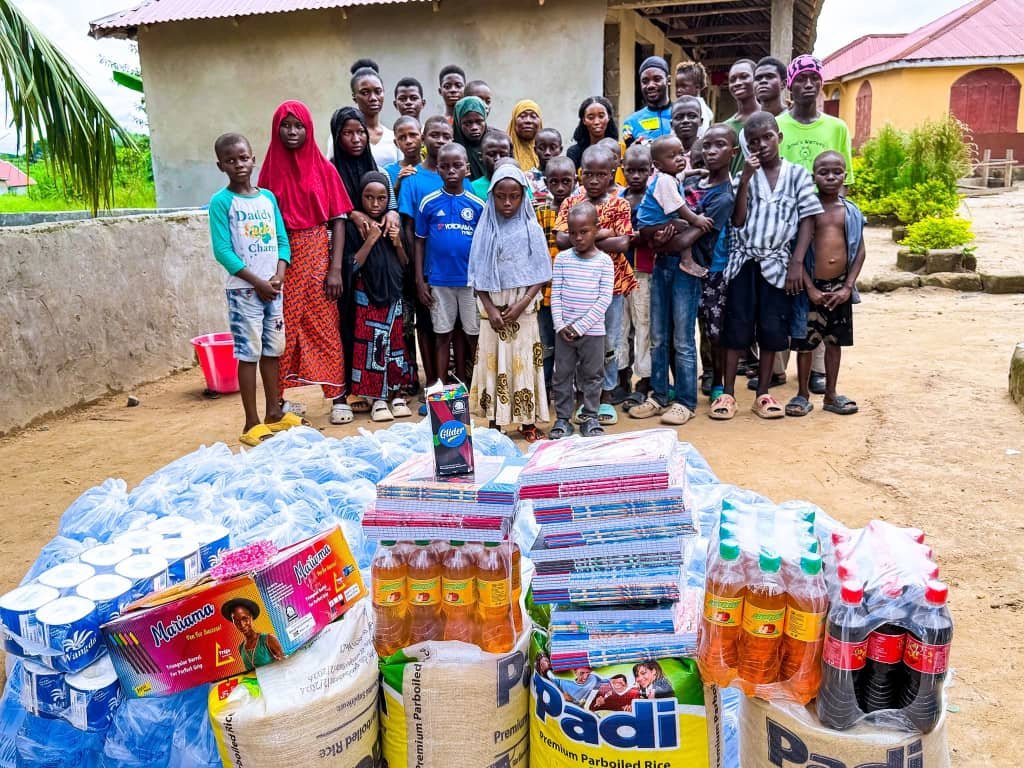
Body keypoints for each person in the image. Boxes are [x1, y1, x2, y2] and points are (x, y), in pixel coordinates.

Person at [711, 112, 822, 421]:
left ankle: (762, 394)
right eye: (753, 141)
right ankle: (728, 394)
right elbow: (738, 220)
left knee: (772, 329)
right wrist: (745, 179)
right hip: (744, 262)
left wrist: (796, 264)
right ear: (747, 146)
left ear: (779, 137)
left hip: (778, 263)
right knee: (737, 327)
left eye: (767, 137)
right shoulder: (742, 176)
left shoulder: (798, 175)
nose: (761, 145)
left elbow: (808, 220)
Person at [258, 101, 353, 425]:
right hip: (280, 262)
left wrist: (335, 268)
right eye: (286, 126)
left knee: (325, 326)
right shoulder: (268, 172)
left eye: (299, 126)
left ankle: (337, 395)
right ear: (277, 129)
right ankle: (279, 400)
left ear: (309, 129)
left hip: (316, 255)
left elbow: (338, 219)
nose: (292, 132)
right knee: (281, 328)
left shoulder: (324, 169)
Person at [208, 133, 296, 446]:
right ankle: (251, 422)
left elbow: (282, 240)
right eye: (230, 160)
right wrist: (257, 282)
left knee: (273, 349)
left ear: (253, 158)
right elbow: (222, 250)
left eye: (243, 158)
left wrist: (278, 275)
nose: (239, 164)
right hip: (244, 291)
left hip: (273, 288)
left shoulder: (267, 198)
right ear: (221, 165)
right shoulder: (222, 202)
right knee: (249, 353)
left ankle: (274, 412)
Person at [776, 54, 855, 396]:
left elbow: (846, 179)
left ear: (821, 84)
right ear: (789, 86)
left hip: (824, 223)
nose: (808, 85)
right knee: (789, 293)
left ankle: (818, 371)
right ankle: (779, 367)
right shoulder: (778, 124)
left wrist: (841, 223)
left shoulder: (836, 128)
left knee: (823, 288)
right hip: (788, 223)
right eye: (801, 79)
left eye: (814, 79)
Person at [554, 146, 636, 426]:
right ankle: (581, 398)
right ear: (580, 173)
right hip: (576, 285)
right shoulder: (571, 202)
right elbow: (562, 240)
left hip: (610, 285)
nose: (594, 180)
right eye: (588, 174)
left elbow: (624, 243)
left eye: (602, 174)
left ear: (612, 173)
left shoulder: (620, 203)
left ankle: (605, 396)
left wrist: (587, 238)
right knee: (574, 343)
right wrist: (604, 233)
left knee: (608, 342)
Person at [468, 164, 552, 441]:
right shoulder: (485, 228)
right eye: (501, 196)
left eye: (514, 196)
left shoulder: (531, 228)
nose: (507, 203)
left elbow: (541, 273)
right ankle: (495, 420)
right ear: (491, 195)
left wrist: (522, 303)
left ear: (522, 196)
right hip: (492, 312)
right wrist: (491, 309)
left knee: (523, 363)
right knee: (495, 363)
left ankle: (527, 422)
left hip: (523, 309)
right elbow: (476, 275)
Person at [329, 107, 402, 414]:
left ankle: (391, 387)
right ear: (336, 135)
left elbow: (392, 205)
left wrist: (392, 215)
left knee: (390, 328)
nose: (356, 139)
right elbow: (332, 213)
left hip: (384, 264)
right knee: (349, 325)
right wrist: (352, 213)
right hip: (346, 259)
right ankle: (349, 389)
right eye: (348, 133)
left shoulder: (376, 170)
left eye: (361, 132)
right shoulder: (331, 171)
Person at [787, 151, 865, 417]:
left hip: (839, 289)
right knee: (805, 343)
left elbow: (860, 251)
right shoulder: (808, 210)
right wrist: (809, 288)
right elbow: (796, 250)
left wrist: (847, 287)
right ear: (814, 176)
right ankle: (802, 395)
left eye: (837, 172)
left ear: (845, 174)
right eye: (824, 172)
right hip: (812, 289)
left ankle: (831, 394)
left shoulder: (851, 211)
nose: (831, 177)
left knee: (834, 342)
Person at [344, 171, 413, 421]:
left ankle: (395, 394)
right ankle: (377, 398)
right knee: (372, 346)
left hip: (393, 296)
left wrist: (397, 243)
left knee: (395, 345)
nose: (375, 204)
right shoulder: (356, 227)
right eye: (369, 198)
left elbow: (405, 264)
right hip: (367, 297)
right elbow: (350, 266)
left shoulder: (392, 224)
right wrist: (371, 240)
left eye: (381, 198)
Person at [415, 143, 484, 385]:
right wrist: (420, 280)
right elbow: (420, 243)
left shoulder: (477, 205)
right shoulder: (429, 203)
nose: (451, 171)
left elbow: (483, 248)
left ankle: (474, 384)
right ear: (438, 170)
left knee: (472, 335)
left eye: (457, 166)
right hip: (439, 282)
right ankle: (441, 386)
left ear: (467, 168)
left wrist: (481, 281)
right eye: (445, 166)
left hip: (469, 282)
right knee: (442, 334)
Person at [549, 202, 614, 440]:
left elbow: (604, 299)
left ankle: (590, 417)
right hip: (564, 332)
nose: (578, 237)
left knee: (592, 375)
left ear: (596, 229)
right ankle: (563, 419)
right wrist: (560, 325)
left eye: (584, 231)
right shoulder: (563, 259)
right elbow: (555, 294)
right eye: (572, 232)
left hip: (593, 332)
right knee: (562, 375)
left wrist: (580, 327)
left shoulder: (604, 262)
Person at [686, 125, 739, 407]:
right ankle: (694, 378)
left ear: (733, 153)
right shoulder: (693, 185)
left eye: (719, 146)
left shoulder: (726, 194)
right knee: (686, 328)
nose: (711, 151)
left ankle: (716, 380)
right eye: (707, 146)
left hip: (715, 269)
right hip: (688, 268)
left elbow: (695, 229)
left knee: (714, 330)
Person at [635, 134, 713, 280]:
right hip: (650, 225)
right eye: (672, 156)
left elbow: (682, 175)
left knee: (679, 224)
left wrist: (696, 171)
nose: (679, 158)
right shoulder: (665, 181)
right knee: (684, 224)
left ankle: (656, 244)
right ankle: (687, 261)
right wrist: (697, 220)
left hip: (652, 223)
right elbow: (680, 208)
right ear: (658, 165)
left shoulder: (671, 175)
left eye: (681, 153)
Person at [536, 155, 577, 393]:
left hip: (573, 292)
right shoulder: (541, 211)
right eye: (554, 182)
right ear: (546, 182)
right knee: (545, 343)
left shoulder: (581, 211)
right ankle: (545, 387)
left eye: (566, 181)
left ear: (575, 180)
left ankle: (566, 387)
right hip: (545, 290)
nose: (560, 188)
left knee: (569, 341)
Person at [617, 144, 654, 403]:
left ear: (651, 170)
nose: (637, 176)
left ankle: (645, 380)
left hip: (644, 272)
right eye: (631, 170)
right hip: (620, 272)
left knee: (644, 327)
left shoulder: (654, 198)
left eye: (643, 170)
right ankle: (621, 377)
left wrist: (631, 238)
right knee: (620, 329)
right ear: (622, 168)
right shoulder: (618, 198)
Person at [350, 67, 402, 167]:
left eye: (378, 91)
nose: (373, 98)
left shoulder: (393, 137)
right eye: (365, 93)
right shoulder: (345, 137)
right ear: (354, 97)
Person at [222, 597, 285, 672]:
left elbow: (285, 663)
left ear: (252, 617)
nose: (242, 625)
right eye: (236, 621)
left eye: (245, 619)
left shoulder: (268, 639)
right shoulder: (241, 648)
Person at [622, 56, 673, 145]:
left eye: (657, 79)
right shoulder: (631, 123)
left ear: (668, 80)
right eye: (645, 81)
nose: (650, 85)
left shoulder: (682, 115)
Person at [724, 59, 759, 175]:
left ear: (756, 80)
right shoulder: (725, 127)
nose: (737, 83)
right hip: (736, 191)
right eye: (732, 80)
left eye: (744, 77)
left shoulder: (771, 119)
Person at [567, 96, 619, 169]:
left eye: (601, 116)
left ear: (608, 117)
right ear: (584, 120)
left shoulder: (619, 149)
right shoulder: (574, 153)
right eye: (591, 118)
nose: (596, 122)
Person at [536, 656, 607, 707]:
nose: (585, 677)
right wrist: (563, 696)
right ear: (575, 672)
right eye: (582, 673)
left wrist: (603, 697)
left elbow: (609, 684)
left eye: (588, 673)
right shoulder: (563, 682)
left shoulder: (593, 679)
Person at [452, 96, 489, 181]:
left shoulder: (495, 144)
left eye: (479, 122)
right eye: (467, 123)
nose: (474, 127)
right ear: (458, 123)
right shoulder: (450, 148)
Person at [470, 129, 513, 199]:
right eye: (491, 154)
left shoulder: (520, 184)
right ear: (480, 157)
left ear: (510, 156)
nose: (498, 159)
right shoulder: (472, 188)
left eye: (503, 155)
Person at [382, 116, 422, 190]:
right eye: (402, 138)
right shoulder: (387, 172)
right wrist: (398, 184)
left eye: (413, 135)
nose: (408, 141)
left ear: (422, 138)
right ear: (396, 143)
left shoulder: (433, 168)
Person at [675, 61, 714, 135]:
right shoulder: (682, 105)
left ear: (697, 87)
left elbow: (701, 134)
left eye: (683, 86)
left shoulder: (699, 109)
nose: (678, 90)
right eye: (677, 86)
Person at [507, 99, 543, 173]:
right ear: (514, 122)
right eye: (522, 116)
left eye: (533, 116)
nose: (528, 121)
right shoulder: (504, 150)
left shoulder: (548, 151)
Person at [530, 127, 563, 206]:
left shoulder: (569, 178)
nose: (547, 152)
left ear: (560, 149)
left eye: (553, 148)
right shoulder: (528, 179)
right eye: (542, 148)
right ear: (535, 150)